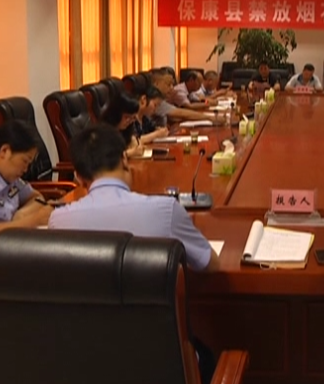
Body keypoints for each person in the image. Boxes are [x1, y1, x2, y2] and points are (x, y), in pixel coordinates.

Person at [48, 123, 219, 382]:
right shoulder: (164, 210)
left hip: (87, 361)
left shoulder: (59, 221)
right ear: (125, 159)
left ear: (79, 177)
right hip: (161, 363)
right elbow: (210, 264)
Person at [150, 68, 218, 127]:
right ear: (156, 84)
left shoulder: (190, 91)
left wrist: (207, 103)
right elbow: (183, 111)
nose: (172, 88)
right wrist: (210, 117)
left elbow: (200, 100)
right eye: (168, 84)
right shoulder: (179, 91)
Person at [100, 92, 145, 157]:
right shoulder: (103, 131)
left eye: (133, 118)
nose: (130, 121)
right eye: (127, 117)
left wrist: (135, 142)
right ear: (116, 113)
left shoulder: (125, 129)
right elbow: (105, 157)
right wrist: (129, 153)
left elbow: (130, 141)